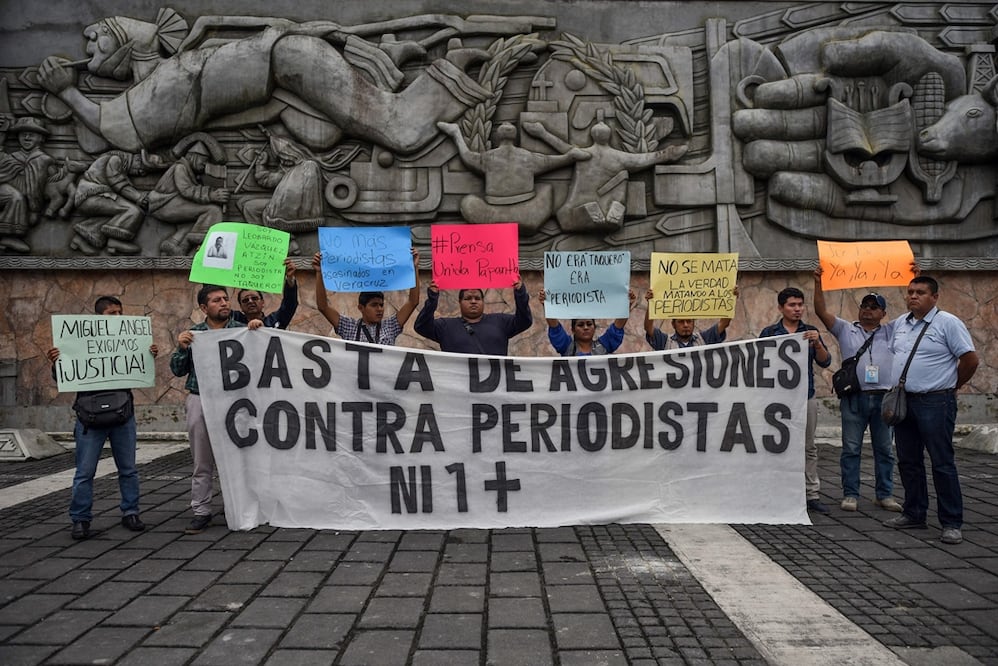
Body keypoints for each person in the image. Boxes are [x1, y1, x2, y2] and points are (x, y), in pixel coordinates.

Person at [47, 296, 158, 540]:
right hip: (90, 417)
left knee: (128, 469)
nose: (117, 317)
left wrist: (148, 354)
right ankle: (80, 519)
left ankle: (131, 512)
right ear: (98, 318)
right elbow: (65, 376)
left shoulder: (128, 339)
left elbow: (139, 367)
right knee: (84, 472)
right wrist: (57, 362)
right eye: (111, 313)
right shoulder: (80, 342)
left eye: (120, 312)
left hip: (122, 414)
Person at [883, 276, 979, 545]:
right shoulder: (901, 323)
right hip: (905, 402)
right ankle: (914, 513)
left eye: (921, 292)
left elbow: (970, 359)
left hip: (936, 402)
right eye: (910, 292)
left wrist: (951, 385)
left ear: (934, 297)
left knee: (942, 462)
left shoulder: (948, 323)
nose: (913, 296)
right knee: (908, 460)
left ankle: (951, 522)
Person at [170, 285, 263, 534]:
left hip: (235, 401)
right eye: (216, 300)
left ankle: (243, 506)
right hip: (201, 399)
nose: (223, 303)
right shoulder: (195, 334)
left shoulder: (241, 330)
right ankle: (201, 510)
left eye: (225, 299)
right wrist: (181, 348)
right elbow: (177, 370)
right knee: (202, 459)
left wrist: (256, 333)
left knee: (241, 457)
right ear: (204, 308)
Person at [812, 269, 903, 512]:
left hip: (884, 398)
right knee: (851, 449)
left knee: (885, 449)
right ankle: (850, 494)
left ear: (883, 313)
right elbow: (821, 312)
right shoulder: (845, 329)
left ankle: (884, 495)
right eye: (865, 305)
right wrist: (818, 282)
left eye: (874, 307)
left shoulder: (892, 330)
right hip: (854, 398)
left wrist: (916, 277)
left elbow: (914, 313)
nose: (868, 310)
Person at [760, 286, 832, 515]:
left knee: (808, 446)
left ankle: (811, 494)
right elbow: (758, 361)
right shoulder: (770, 333)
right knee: (775, 445)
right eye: (792, 305)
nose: (797, 309)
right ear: (781, 308)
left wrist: (817, 343)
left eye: (800, 305)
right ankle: (776, 490)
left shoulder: (810, 331)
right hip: (777, 398)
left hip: (805, 396)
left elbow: (825, 361)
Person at [313, 248, 420, 344]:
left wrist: (414, 268)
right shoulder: (349, 327)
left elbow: (413, 302)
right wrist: (319, 272)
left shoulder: (391, 325)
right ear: (361, 307)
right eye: (374, 305)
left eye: (381, 305)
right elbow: (323, 307)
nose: (380, 309)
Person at [414, 280, 532, 355]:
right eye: (468, 298)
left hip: (495, 390)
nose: (473, 302)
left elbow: (525, 321)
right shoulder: (445, 326)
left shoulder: (500, 322)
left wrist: (520, 293)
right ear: (459, 302)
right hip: (457, 390)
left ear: (483, 301)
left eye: (477, 298)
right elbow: (421, 327)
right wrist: (432, 298)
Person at [539, 288, 635, 355]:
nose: (586, 327)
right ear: (573, 329)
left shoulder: (603, 346)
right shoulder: (567, 347)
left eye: (589, 324)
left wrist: (627, 305)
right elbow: (555, 329)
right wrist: (547, 305)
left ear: (594, 327)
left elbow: (617, 329)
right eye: (580, 325)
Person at [643, 287, 737, 350]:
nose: (685, 325)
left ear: (694, 323)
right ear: (673, 324)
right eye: (681, 322)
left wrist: (731, 298)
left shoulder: (705, 339)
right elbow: (648, 328)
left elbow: (724, 323)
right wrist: (651, 304)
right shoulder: (665, 341)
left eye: (689, 321)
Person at [232, 259, 299, 329]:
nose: (250, 301)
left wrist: (290, 278)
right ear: (240, 306)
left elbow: (289, 305)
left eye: (254, 298)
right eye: (245, 300)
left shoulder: (274, 320)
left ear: (262, 302)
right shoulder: (233, 322)